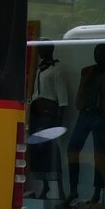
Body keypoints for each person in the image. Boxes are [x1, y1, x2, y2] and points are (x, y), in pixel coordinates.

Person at [66, 43, 105, 205]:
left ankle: (98, 191)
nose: (98, 56)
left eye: (102, 53)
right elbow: (81, 90)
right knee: (72, 149)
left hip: (100, 116)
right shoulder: (86, 71)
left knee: (100, 155)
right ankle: (73, 188)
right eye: (97, 52)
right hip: (85, 113)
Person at [28, 43, 69, 199]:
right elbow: (36, 93)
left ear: (49, 50)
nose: (39, 52)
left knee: (50, 149)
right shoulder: (40, 69)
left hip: (48, 114)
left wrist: (59, 122)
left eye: (41, 49)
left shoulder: (56, 70)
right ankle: (44, 186)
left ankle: (59, 188)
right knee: (37, 149)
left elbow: (63, 98)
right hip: (37, 113)